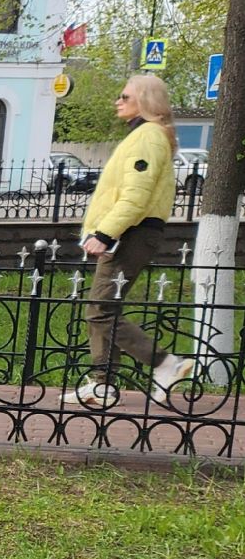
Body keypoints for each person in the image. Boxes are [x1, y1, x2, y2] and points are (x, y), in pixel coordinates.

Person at [63, 73, 200, 408]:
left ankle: (166, 364)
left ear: (146, 101)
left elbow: (135, 197)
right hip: (131, 232)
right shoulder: (146, 135)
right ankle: (103, 386)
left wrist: (105, 233)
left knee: (101, 310)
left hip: (130, 233)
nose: (118, 101)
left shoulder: (148, 137)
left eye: (125, 96)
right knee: (101, 308)